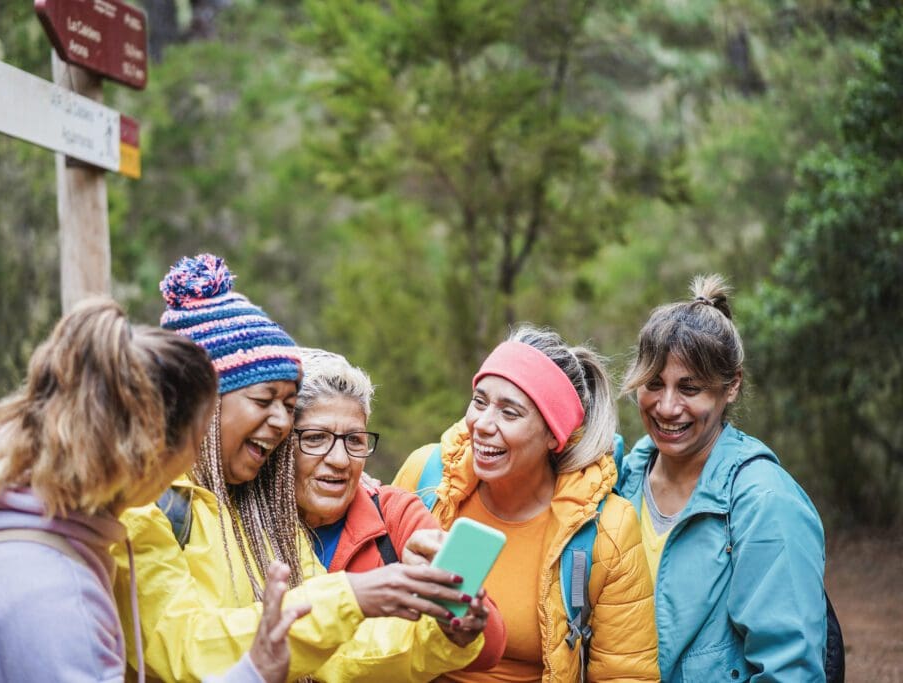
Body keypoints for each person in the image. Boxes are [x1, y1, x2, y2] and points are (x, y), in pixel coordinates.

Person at [114, 253, 490, 683]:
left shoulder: (262, 509)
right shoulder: (142, 505)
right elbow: (182, 645)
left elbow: (335, 651)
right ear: (204, 401)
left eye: (289, 407)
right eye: (263, 400)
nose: (280, 422)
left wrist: (438, 636)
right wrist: (352, 597)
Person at [0, 297, 307, 683]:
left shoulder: (2, 509)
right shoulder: (53, 591)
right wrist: (254, 673)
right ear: (151, 449)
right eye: (198, 441)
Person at [395, 325, 660, 682]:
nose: (482, 425)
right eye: (480, 401)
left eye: (510, 412)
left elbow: (626, 675)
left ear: (554, 435)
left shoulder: (605, 530)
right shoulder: (427, 479)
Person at [615, 275, 827, 681]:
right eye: (654, 384)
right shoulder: (618, 484)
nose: (667, 406)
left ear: (731, 387)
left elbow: (790, 669)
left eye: (690, 388)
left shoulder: (766, 502)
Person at [292, 347, 506, 672]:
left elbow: (489, 648)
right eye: (316, 438)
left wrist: (459, 616)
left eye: (354, 440)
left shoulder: (394, 513)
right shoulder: (246, 522)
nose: (339, 460)